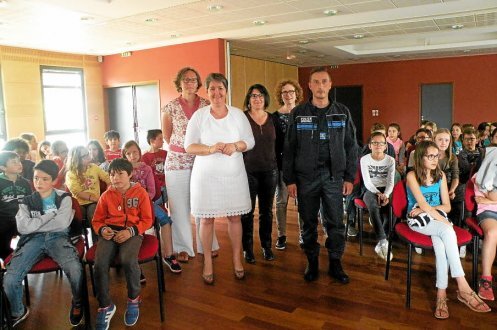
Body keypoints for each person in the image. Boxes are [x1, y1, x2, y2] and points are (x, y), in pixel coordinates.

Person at [283, 66, 358, 284]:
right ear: (309, 86)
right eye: (316, 82)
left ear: (330, 85)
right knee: (308, 222)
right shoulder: (299, 113)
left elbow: (351, 146)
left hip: (334, 177)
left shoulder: (342, 112)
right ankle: (312, 261)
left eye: (324, 81)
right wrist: (290, 180)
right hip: (306, 177)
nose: (320, 86)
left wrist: (349, 177)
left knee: (335, 222)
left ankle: (335, 262)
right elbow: (289, 149)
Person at [406, 140, 490, 319]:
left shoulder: (441, 175)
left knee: (441, 244)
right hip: (417, 220)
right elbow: (422, 207)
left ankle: (441, 295)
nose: (435, 159)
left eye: (437, 155)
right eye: (430, 156)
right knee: (447, 231)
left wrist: (431, 210)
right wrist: (439, 219)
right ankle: (463, 287)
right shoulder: (412, 176)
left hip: (436, 218)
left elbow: (447, 207)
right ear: (420, 157)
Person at [184, 72, 255, 284]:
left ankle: (236, 258)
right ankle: (207, 260)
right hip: (205, 177)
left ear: (226, 90)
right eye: (212, 89)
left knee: (235, 217)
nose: (217, 93)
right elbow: (189, 146)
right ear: (207, 91)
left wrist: (235, 146)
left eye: (220, 88)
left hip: (234, 175)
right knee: (206, 219)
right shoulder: (199, 116)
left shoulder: (237, 115)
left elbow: (249, 141)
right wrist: (210, 148)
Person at [3, 160, 84, 327]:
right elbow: (23, 228)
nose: (39, 183)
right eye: (36, 178)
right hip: (33, 239)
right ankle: (18, 311)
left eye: (45, 179)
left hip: (58, 238)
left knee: (75, 269)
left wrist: (35, 223)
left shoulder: (64, 197)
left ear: (54, 180)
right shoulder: (26, 201)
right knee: (10, 278)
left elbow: (61, 224)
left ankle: (77, 301)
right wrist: (48, 216)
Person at [161, 67, 219, 263]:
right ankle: (183, 247)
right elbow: (168, 137)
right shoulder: (169, 107)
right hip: (177, 163)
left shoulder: (206, 105)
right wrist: (184, 149)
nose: (189, 83)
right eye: (186, 80)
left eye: (193, 80)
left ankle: (208, 245)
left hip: (202, 161)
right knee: (179, 206)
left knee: (204, 203)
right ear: (180, 82)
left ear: (198, 83)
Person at [92, 158, 153, 329]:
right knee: (100, 264)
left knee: (128, 260)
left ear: (130, 174)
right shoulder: (106, 195)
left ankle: (134, 298)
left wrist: (131, 231)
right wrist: (103, 230)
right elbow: (97, 220)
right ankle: (105, 305)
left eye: (120, 174)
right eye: (112, 174)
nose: (115, 178)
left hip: (132, 232)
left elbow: (147, 220)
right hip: (110, 232)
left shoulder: (140, 193)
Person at [122, 140, 181, 273]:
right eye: (129, 153)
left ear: (139, 152)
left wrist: (142, 200)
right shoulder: (123, 171)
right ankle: (135, 263)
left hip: (147, 202)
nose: (132, 155)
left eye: (135, 152)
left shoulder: (146, 168)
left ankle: (169, 255)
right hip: (129, 205)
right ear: (125, 155)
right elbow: (121, 191)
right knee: (134, 224)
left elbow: (152, 191)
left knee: (165, 219)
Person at [241, 84, 278, 263]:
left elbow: (279, 146)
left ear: (265, 99)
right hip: (247, 172)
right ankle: (247, 249)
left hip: (269, 172)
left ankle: (266, 246)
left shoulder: (273, 119)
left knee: (267, 212)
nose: (257, 99)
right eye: (254, 96)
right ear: (249, 99)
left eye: (261, 95)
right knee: (247, 212)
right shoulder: (242, 118)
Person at [273, 79, 303, 250]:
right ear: (280, 95)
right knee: (281, 201)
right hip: (282, 164)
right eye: (284, 92)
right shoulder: (275, 117)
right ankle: (281, 235)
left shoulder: (304, 113)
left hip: (302, 165)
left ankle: (303, 235)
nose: (288, 95)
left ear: (296, 94)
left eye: (291, 91)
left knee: (303, 201)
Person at [360, 132, 395, 260]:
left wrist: (385, 194)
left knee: (393, 208)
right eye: (375, 142)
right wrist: (378, 194)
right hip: (370, 190)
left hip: (386, 190)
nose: (378, 145)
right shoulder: (364, 159)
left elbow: (391, 181)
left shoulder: (390, 160)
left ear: (385, 146)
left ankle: (383, 237)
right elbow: (367, 182)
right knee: (373, 206)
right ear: (370, 145)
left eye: (381, 143)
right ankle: (383, 241)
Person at [65, 146, 111, 242]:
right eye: (84, 155)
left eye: (87, 153)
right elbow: (77, 192)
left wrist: (108, 191)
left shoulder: (94, 167)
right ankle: (78, 239)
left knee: (93, 212)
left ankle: (98, 242)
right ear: (77, 159)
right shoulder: (70, 173)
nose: (88, 156)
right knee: (75, 215)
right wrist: (95, 199)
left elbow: (107, 178)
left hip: (94, 202)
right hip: (79, 203)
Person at [0, 151, 32, 259]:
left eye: (19, 161)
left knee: (32, 239)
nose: (19, 164)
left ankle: (26, 257)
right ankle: (10, 259)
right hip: (4, 219)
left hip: (23, 218)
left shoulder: (25, 183)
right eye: (14, 162)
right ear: (3, 167)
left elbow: (30, 201)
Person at [472, 174, 497, 301]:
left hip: (490, 204)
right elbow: (489, 195)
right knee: (493, 232)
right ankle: (486, 279)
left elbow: (491, 197)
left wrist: (491, 200)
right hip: (488, 211)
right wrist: (491, 201)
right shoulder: (482, 174)